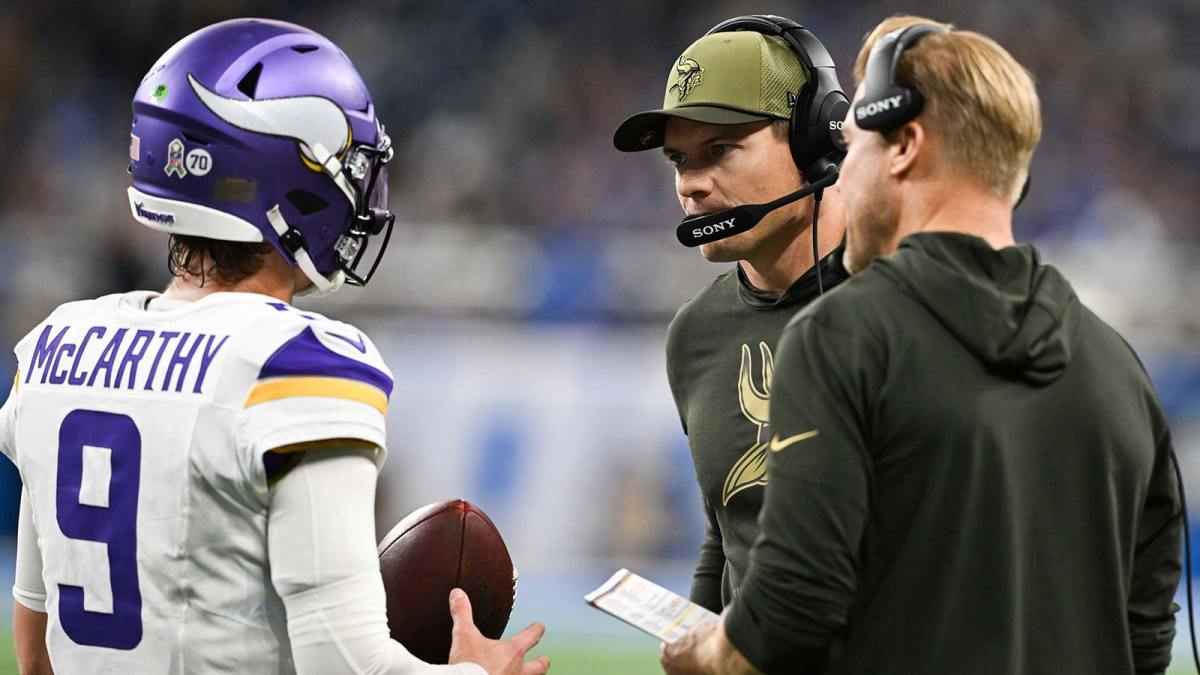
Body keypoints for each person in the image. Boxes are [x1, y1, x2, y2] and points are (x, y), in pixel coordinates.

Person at [1, 19, 550, 675]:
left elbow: (37, 654)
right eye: (348, 168)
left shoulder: (59, 345)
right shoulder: (297, 364)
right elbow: (342, 662)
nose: (358, 192)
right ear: (287, 176)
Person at [662, 14, 1182, 675]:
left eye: (853, 149)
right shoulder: (1118, 368)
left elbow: (792, 609)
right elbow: (1143, 634)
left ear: (904, 146)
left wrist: (703, 654)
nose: (842, 175)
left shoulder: (842, 338)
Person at [612, 15, 851, 615]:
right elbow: (729, 533)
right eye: (678, 160)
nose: (691, 185)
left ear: (814, 141)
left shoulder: (902, 306)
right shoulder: (695, 335)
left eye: (720, 150)